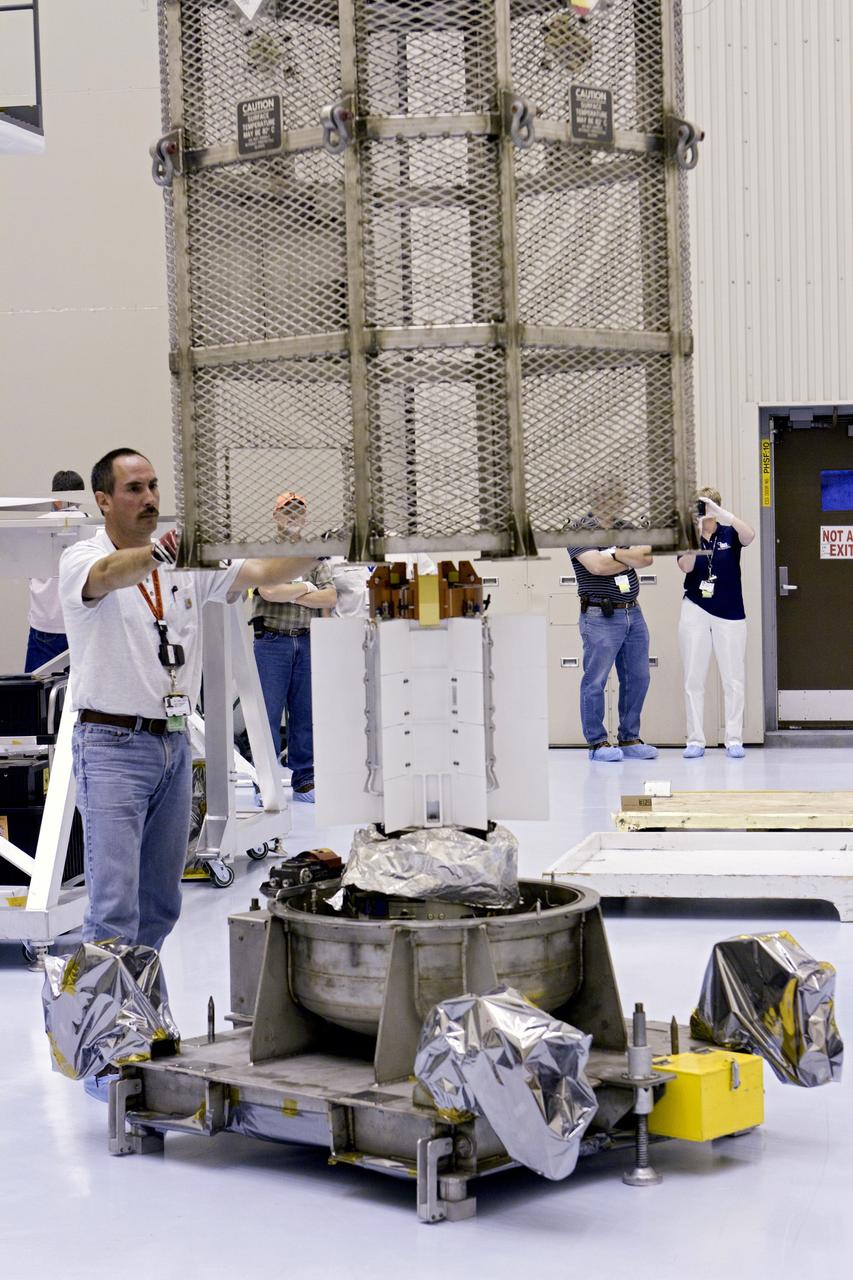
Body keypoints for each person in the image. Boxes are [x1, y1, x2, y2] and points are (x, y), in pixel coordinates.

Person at [58, 449, 318, 951]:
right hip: (111, 747)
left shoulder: (187, 563)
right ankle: (100, 1006)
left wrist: (326, 545)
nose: (149, 498)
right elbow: (109, 575)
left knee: (160, 904)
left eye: (153, 486)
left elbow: (265, 570)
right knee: (113, 908)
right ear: (103, 500)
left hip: (173, 745)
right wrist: (159, 555)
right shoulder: (82, 558)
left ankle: (141, 999)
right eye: (134, 489)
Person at [251, 492, 336, 803]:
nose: (293, 517)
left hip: (306, 640)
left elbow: (330, 597)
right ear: (276, 516)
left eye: (298, 512)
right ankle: (266, 784)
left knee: (305, 714)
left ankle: (305, 781)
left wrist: (291, 592)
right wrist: (308, 588)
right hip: (271, 642)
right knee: (267, 715)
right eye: (287, 512)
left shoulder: (312, 553)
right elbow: (268, 591)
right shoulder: (265, 551)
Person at [568, 506, 658, 762]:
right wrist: (627, 556)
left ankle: (629, 739)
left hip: (633, 613)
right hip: (600, 615)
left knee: (638, 678)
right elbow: (597, 566)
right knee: (595, 680)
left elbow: (646, 558)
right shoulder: (578, 530)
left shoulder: (625, 526)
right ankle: (597, 743)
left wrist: (613, 554)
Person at [677, 487, 755, 759]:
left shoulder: (730, 532)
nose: (704, 512)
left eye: (708, 507)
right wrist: (696, 531)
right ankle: (695, 740)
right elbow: (686, 567)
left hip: (730, 611)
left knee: (733, 678)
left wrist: (724, 516)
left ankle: (733, 738)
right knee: (693, 677)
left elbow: (750, 536)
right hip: (695, 608)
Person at [24, 469, 85, 671]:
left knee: (39, 686)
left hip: (45, 623)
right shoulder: (92, 525)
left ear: (55, 497)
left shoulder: (36, 526)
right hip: (82, 621)